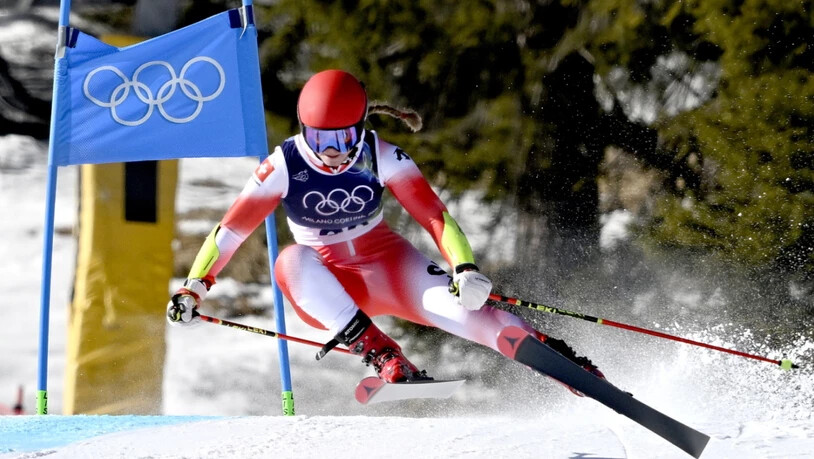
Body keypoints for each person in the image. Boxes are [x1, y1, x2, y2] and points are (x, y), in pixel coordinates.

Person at [167, 69, 602, 388]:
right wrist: (193, 286)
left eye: (341, 139)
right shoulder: (283, 164)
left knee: (472, 314)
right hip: (329, 285)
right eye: (319, 139)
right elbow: (231, 230)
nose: (332, 153)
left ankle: (562, 362)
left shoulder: (383, 155)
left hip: (392, 268)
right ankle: (383, 354)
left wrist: (464, 268)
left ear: (360, 126)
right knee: (291, 260)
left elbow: (435, 216)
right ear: (304, 130)